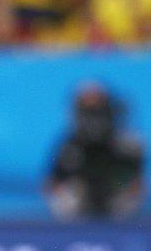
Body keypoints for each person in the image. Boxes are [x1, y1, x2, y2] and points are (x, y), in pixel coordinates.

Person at [46, 82, 145, 219]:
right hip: (79, 206)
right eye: (88, 111)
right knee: (68, 196)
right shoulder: (70, 145)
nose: (94, 119)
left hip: (115, 200)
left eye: (98, 110)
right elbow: (52, 183)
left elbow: (138, 182)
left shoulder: (127, 143)